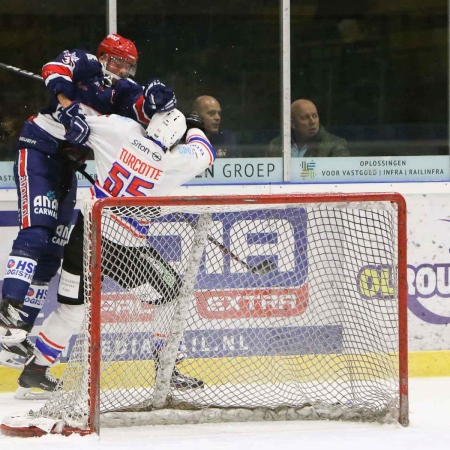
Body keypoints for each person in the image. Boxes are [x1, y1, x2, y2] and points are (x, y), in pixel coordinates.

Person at [0, 33, 177, 369]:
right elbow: (52, 69)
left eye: (129, 65)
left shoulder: (123, 89)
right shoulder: (84, 62)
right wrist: (67, 109)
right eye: (118, 62)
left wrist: (159, 101)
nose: (123, 69)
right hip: (38, 151)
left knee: (52, 255)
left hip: (68, 165)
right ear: (103, 57)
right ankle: (7, 312)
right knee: (36, 233)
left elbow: (143, 112)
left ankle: (18, 333)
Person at [14, 109, 216, 396]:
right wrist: (195, 128)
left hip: (84, 238)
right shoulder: (175, 162)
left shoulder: (123, 130)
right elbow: (205, 152)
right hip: (125, 249)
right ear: (174, 141)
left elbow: (79, 116)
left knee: (73, 310)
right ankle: (167, 369)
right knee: (172, 295)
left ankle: (36, 369)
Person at [267, 99, 350, 157]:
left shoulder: (335, 144)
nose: (312, 121)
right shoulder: (276, 145)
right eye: (305, 117)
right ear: (292, 123)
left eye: (315, 116)